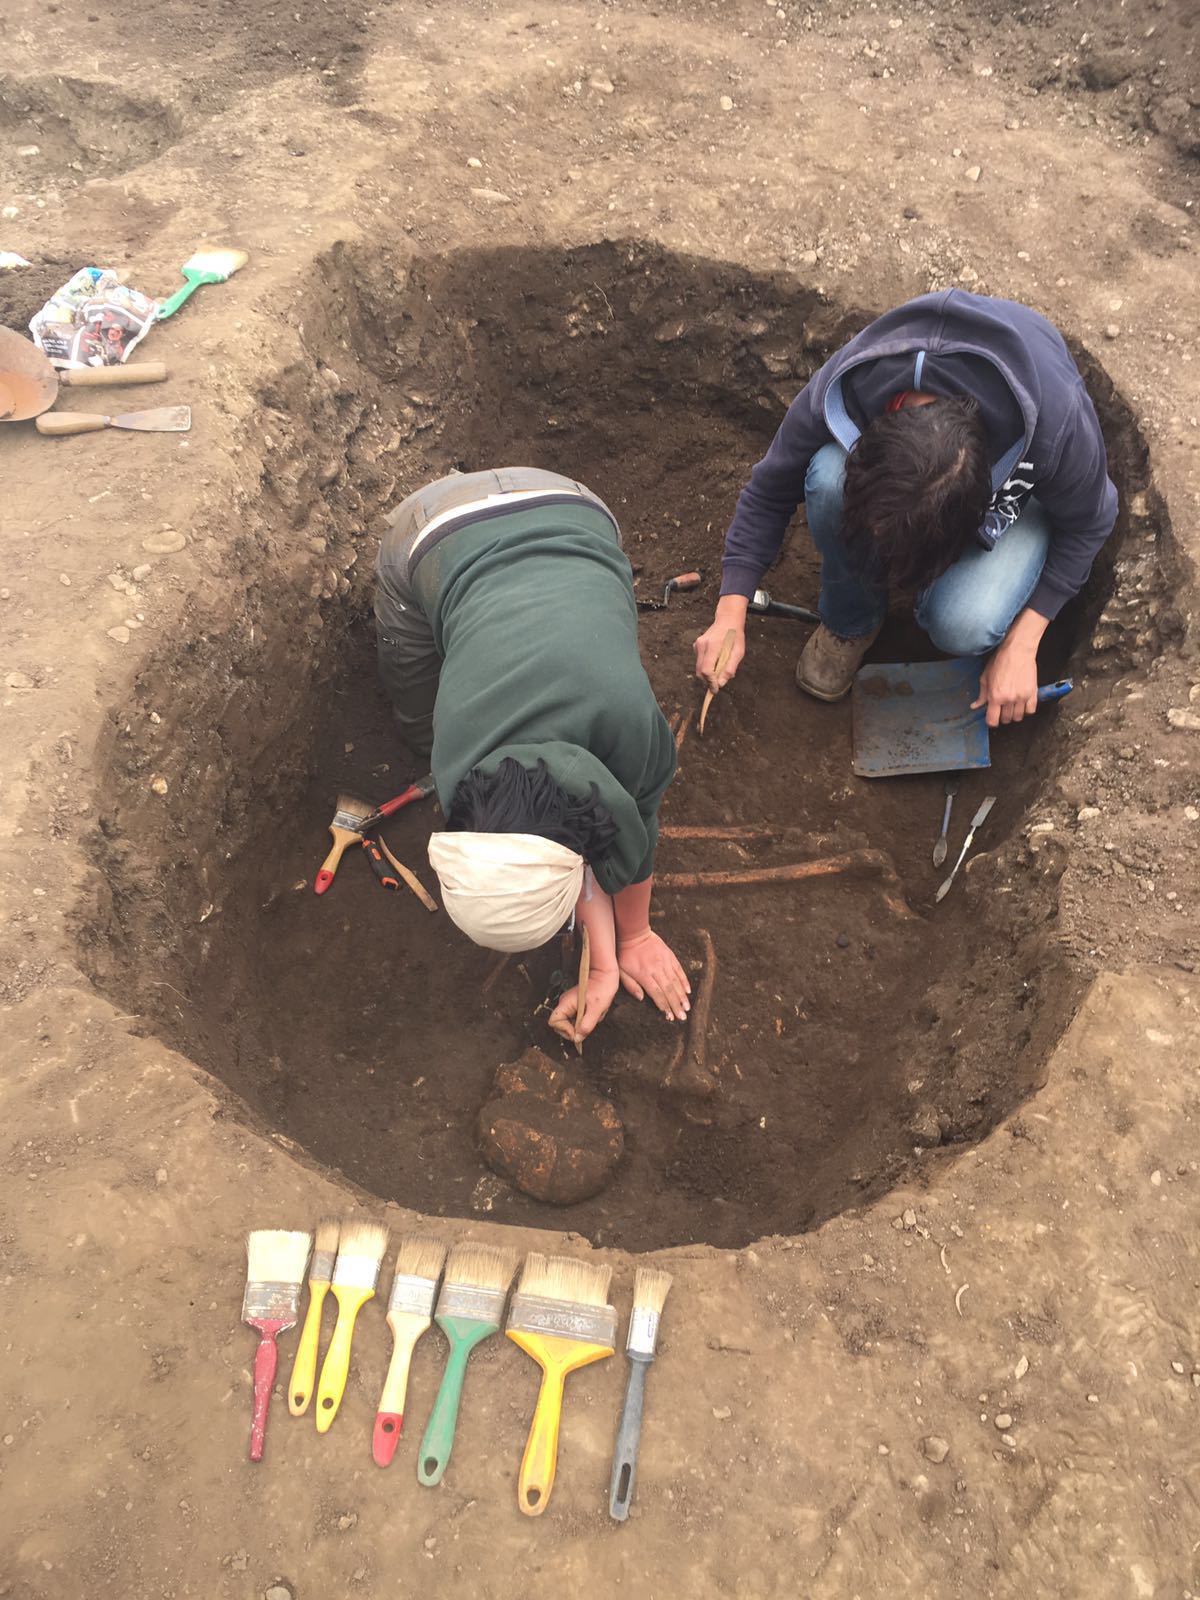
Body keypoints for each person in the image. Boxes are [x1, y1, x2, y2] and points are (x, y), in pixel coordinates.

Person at [694, 290, 1117, 725]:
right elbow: (769, 488)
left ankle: (944, 604)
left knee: (962, 622)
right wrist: (730, 613)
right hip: (910, 454)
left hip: (1021, 460)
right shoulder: (854, 383)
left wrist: (1023, 645)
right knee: (824, 476)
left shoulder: (1056, 429)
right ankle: (851, 620)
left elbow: (1092, 522)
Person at [375, 465, 690, 1045]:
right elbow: (598, 846)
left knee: (418, 699)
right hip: (514, 515)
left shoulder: (635, 729)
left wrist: (631, 940)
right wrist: (607, 956)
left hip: (553, 518)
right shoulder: (452, 755)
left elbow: (625, 839)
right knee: (416, 702)